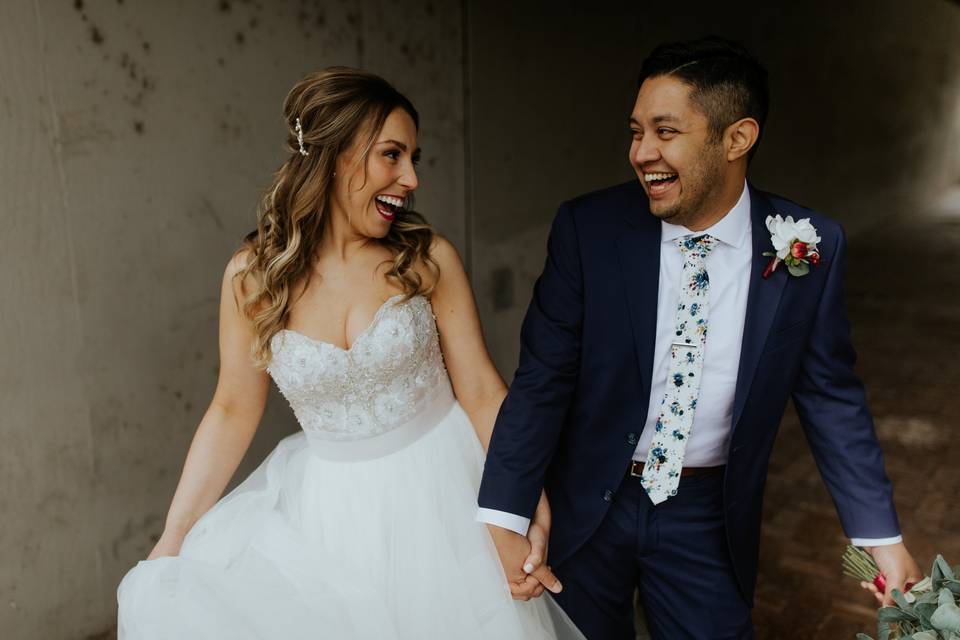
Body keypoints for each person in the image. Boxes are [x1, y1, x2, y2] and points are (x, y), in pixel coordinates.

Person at [477, 36, 923, 639]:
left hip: (707, 517)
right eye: (636, 132)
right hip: (587, 504)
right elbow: (542, 378)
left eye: (665, 132)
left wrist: (880, 534)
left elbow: (830, 393)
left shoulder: (810, 246)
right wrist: (506, 509)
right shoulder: (589, 229)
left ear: (737, 138)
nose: (641, 153)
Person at [117, 67, 583, 640]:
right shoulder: (254, 277)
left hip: (447, 495)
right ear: (336, 156)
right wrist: (173, 536)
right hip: (329, 520)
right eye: (392, 155)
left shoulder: (426, 259)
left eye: (414, 157)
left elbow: (483, 390)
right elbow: (233, 408)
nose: (410, 177)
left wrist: (522, 497)